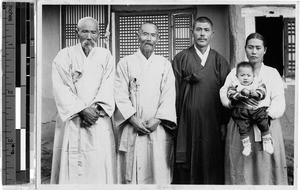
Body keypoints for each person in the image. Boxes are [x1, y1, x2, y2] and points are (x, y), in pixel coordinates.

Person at [51, 17, 116, 184]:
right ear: (77, 33)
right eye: (85, 31)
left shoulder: (105, 55)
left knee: (98, 166)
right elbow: (60, 88)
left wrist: (94, 110)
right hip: (74, 119)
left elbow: (109, 85)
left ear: (99, 34)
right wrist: (82, 110)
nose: (89, 36)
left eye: (93, 32)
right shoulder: (64, 56)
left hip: (98, 119)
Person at [220, 33, 288, 184]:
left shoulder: (272, 73)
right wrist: (232, 103)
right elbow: (224, 92)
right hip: (241, 125)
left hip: (265, 124)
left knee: (266, 168)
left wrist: (264, 115)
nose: (254, 51)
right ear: (245, 49)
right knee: (240, 167)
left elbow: (278, 100)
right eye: (250, 47)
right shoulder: (235, 72)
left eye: (258, 48)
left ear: (265, 50)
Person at [114, 21, 177, 184]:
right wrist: (133, 119)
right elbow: (119, 94)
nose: (149, 38)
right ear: (138, 37)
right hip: (132, 126)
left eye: (153, 35)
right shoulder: (125, 63)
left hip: (158, 128)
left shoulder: (164, 64)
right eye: (145, 34)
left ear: (158, 38)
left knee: (158, 172)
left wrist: (159, 119)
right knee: (132, 174)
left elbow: (169, 94)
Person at [172, 16, 231, 184]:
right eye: (198, 29)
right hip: (186, 121)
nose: (202, 34)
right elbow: (172, 91)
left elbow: (227, 94)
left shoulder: (220, 61)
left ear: (212, 33)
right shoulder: (181, 58)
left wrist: (223, 123)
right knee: (186, 163)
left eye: (206, 30)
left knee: (211, 160)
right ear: (192, 32)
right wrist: (175, 120)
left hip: (212, 122)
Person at [225, 61, 273, 156]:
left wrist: (256, 94)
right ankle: (246, 145)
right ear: (237, 76)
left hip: (257, 110)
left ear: (253, 76)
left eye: (248, 75)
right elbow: (230, 93)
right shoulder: (235, 84)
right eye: (242, 75)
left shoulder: (257, 82)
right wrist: (239, 96)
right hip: (241, 110)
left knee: (263, 121)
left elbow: (263, 90)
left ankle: (267, 141)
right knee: (242, 127)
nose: (245, 78)